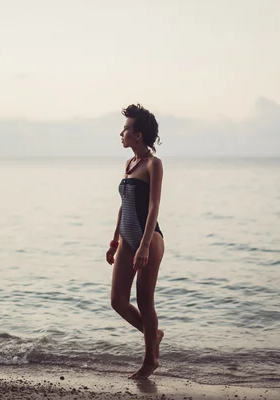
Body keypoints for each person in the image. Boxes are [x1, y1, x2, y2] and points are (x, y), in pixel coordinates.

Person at [106, 103, 165, 380]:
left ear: (138, 135)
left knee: (144, 301)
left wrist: (143, 245)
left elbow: (153, 207)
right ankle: (154, 334)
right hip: (127, 239)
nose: (122, 133)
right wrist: (115, 239)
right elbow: (124, 204)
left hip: (148, 239)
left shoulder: (154, 164)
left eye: (126, 129)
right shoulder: (129, 164)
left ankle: (150, 361)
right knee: (117, 300)